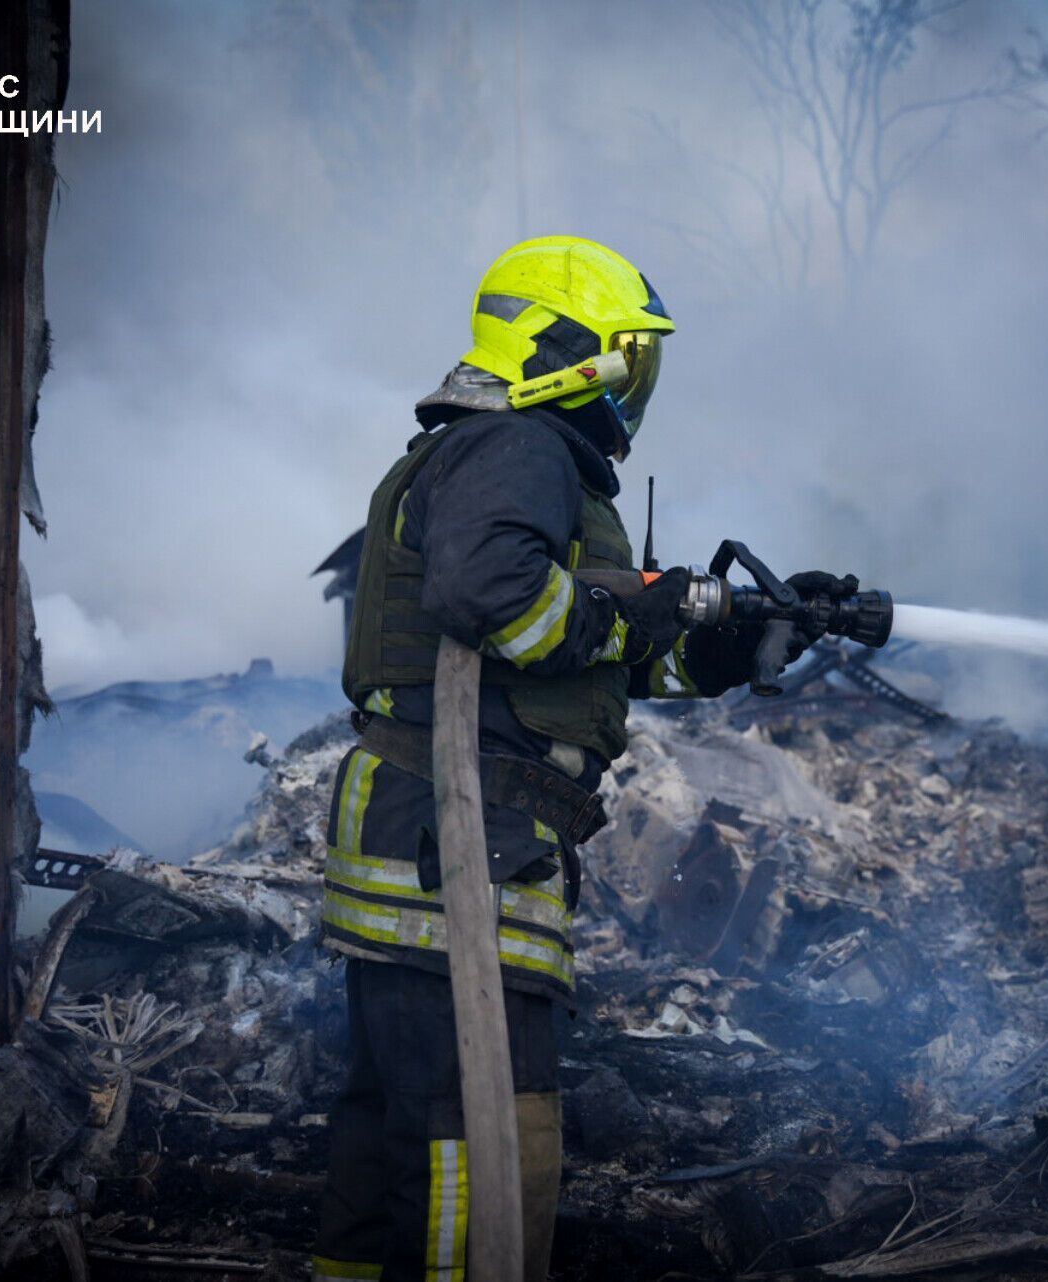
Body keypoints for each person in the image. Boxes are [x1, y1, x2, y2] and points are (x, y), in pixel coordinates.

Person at [312, 236, 852, 1282]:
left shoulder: (494, 454)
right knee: (481, 1154)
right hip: (457, 852)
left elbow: (583, 663)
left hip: (435, 846)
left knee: (392, 1153)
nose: (637, 387)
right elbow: (498, 601)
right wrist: (628, 605)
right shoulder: (518, 445)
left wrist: (751, 633)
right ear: (575, 353)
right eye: (630, 359)